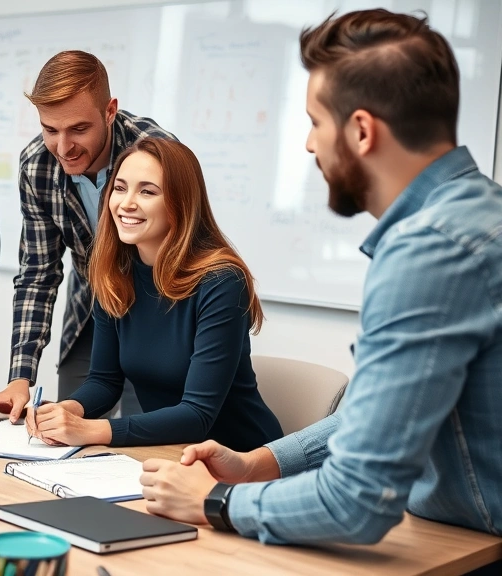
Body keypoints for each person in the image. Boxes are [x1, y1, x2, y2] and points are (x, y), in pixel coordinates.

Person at [139, 9, 502, 554]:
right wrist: (255, 465)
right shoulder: (478, 214)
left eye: (314, 121)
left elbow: (355, 501)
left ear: (360, 130)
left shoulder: (430, 251)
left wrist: (213, 502)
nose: (310, 145)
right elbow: (377, 413)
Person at [0, 50, 178, 425]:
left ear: (110, 111)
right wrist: (19, 378)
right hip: (93, 309)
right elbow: (39, 273)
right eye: (50, 129)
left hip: (161, 311)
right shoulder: (38, 166)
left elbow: (186, 248)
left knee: (149, 437)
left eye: (78, 129)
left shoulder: (158, 154)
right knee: (63, 427)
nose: (62, 147)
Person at [26, 138, 282, 450]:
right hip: (170, 453)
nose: (127, 203)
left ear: (180, 202)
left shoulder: (222, 281)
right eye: (119, 188)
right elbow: (104, 382)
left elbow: (197, 415)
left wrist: (90, 430)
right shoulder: (113, 273)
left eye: (147, 191)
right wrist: (70, 410)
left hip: (242, 461)